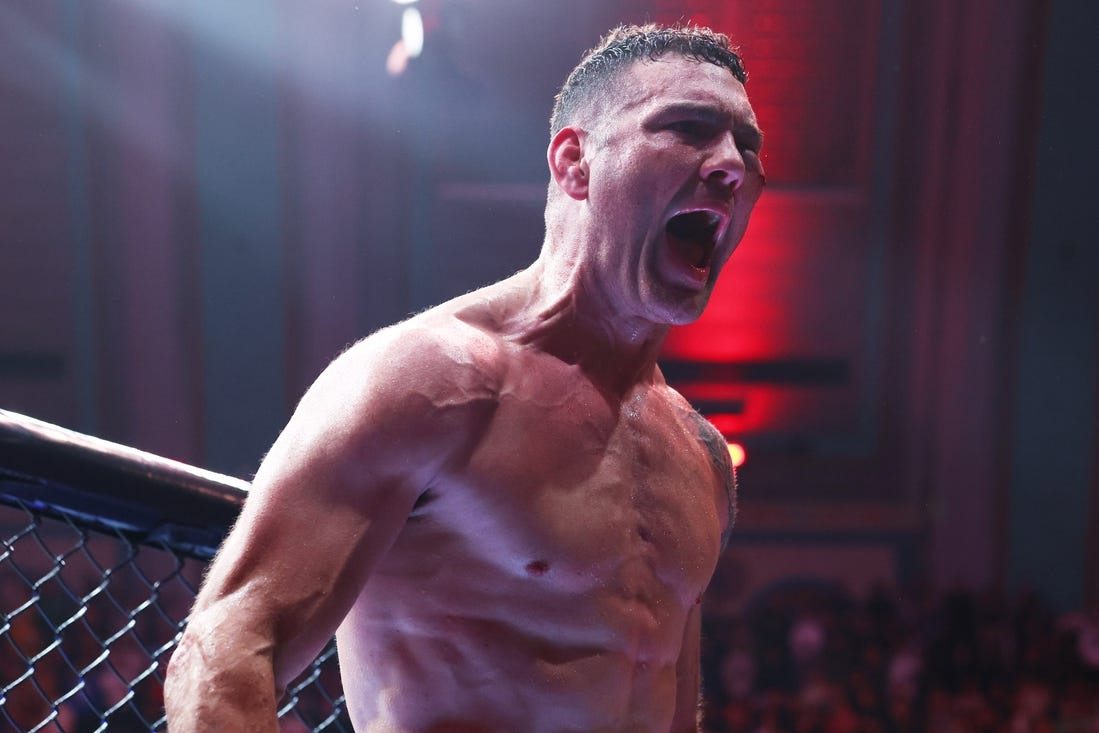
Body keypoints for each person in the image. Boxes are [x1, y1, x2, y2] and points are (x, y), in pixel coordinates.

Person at [164, 22, 765, 733]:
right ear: (575, 163)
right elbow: (229, 643)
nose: (731, 163)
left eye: (748, 146)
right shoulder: (426, 383)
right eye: (688, 128)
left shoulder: (698, 456)